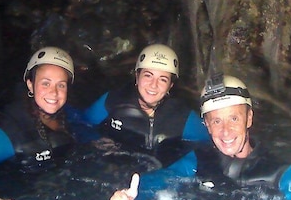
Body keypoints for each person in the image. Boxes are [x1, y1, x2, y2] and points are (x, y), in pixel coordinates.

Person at [107, 74, 291, 200]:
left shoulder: (278, 172)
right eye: (216, 121)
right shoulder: (199, 161)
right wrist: (131, 197)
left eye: (234, 118)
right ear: (207, 126)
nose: (226, 131)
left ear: (249, 119)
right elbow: (163, 179)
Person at [0, 46, 80, 200]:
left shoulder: (66, 115)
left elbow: (87, 124)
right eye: (46, 83)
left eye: (61, 85)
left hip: (53, 191)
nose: (54, 93)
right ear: (30, 85)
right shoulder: (9, 130)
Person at [82, 43, 210, 164]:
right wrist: (96, 141)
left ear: (170, 86)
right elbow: (82, 125)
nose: (153, 85)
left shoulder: (183, 116)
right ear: (137, 77)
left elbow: (208, 146)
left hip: (160, 177)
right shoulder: (113, 100)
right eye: (148, 76)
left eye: (163, 79)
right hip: (116, 168)